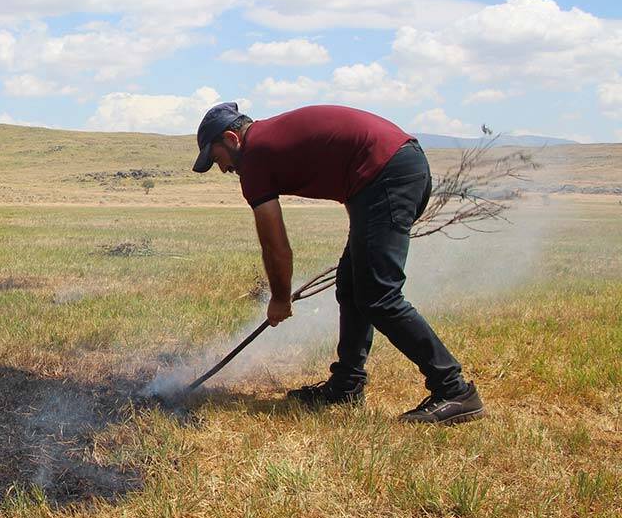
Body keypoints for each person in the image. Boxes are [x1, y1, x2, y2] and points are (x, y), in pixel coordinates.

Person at [191, 102, 484, 424]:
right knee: (352, 286)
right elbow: (350, 170)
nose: (222, 169)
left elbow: (275, 246)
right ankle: (346, 385)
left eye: (217, 158)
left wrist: (279, 298)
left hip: (388, 174)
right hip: (391, 171)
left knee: (379, 296)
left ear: (232, 138)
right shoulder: (267, 140)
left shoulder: (256, 155)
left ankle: (454, 390)